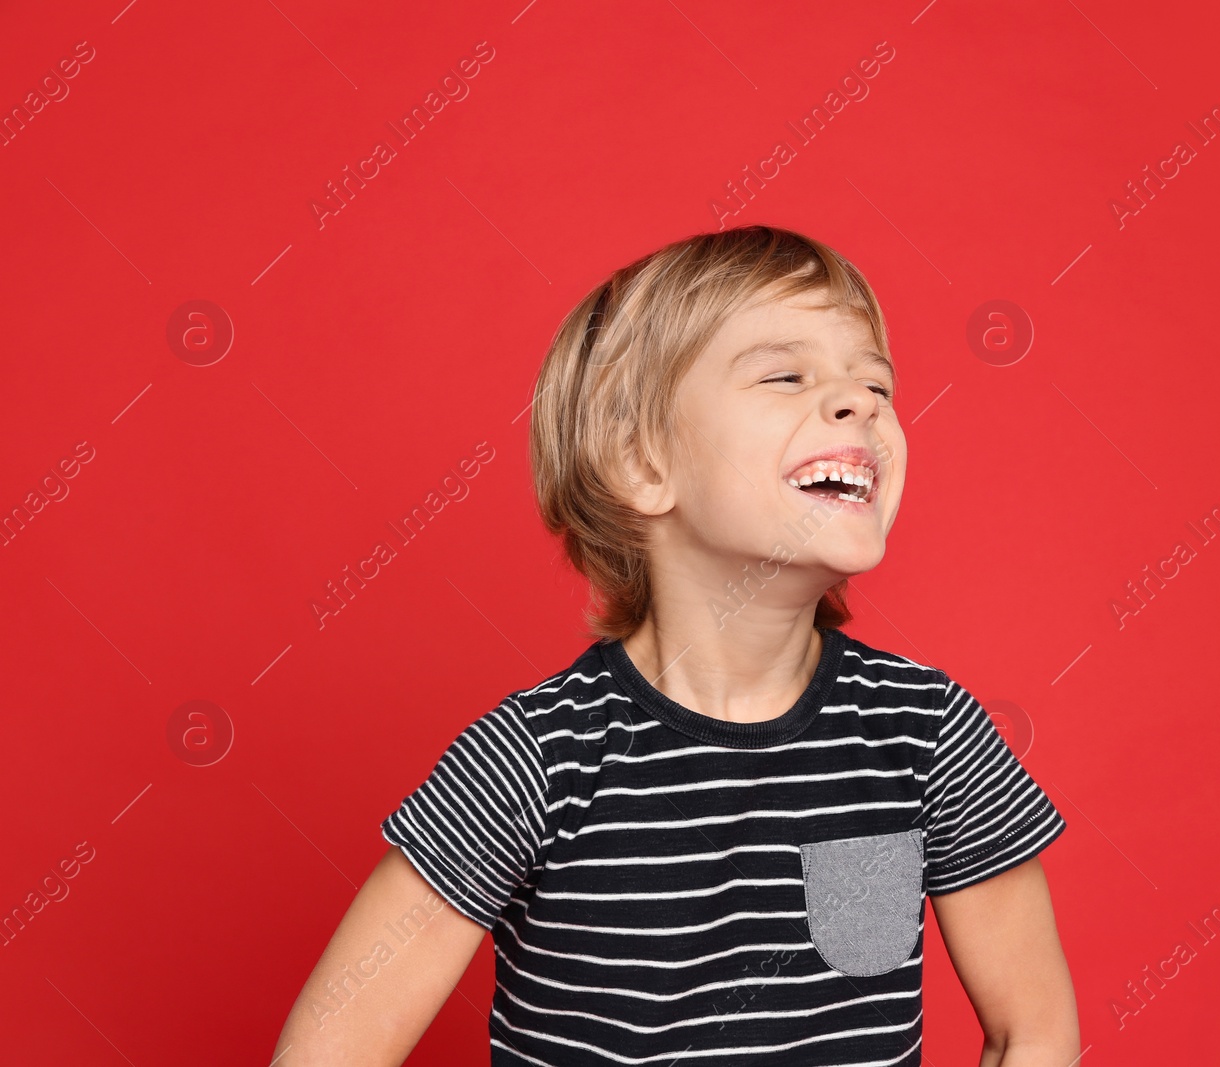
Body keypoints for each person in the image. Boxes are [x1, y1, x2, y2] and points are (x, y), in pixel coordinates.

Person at [270, 225, 1080, 1065]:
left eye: (875, 381)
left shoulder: (927, 733)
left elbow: (1036, 1030)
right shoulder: (534, 760)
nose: (862, 402)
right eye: (786, 375)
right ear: (640, 460)